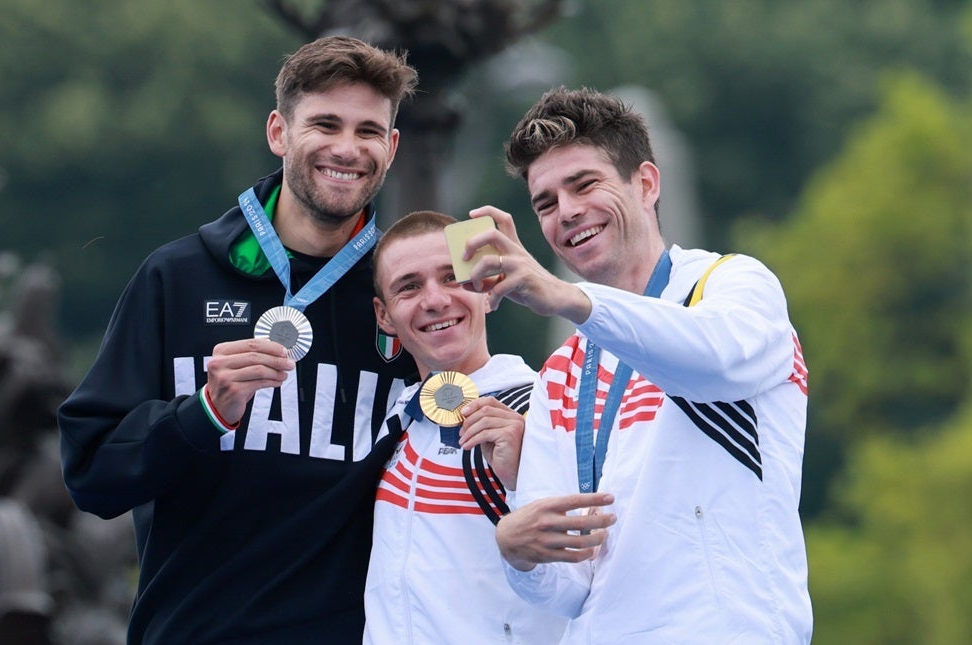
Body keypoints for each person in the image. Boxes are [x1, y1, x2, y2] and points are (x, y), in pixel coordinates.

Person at [57, 36, 419, 643]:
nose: (347, 149)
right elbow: (91, 476)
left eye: (368, 131)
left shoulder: (408, 298)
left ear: (392, 147)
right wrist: (202, 413)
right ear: (279, 132)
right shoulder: (176, 277)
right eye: (324, 124)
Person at [460, 86, 813, 642]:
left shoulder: (729, 284)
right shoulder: (562, 369)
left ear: (646, 183)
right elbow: (570, 586)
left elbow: (715, 359)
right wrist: (517, 551)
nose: (567, 213)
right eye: (545, 203)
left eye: (584, 185)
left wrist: (566, 298)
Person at [362, 210, 567, 644]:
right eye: (409, 286)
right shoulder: (396, 419)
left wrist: (521, 483)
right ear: (384, 316)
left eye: (452, 277)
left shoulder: (544, 409)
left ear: (486, 288)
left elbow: (594, 576)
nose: (434, 300)